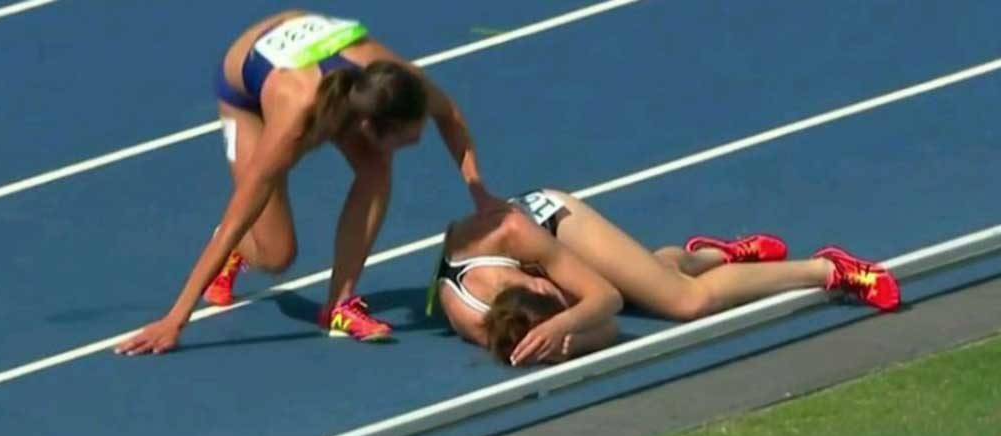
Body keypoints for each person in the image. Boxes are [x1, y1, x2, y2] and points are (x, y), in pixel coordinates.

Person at [116, 10, 504, 356]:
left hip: (305, 45)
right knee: (276, 255)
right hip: (245, 85)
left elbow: (449, 115)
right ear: (366, 125)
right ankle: (242, 251)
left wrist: (478, 191)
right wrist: (175, 320)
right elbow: (237, 217)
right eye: (405, 139)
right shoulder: (295, 122)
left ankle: (339, 305)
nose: (414, 143)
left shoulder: (397, 81)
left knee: (377, 167)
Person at [427, 189, 900, 365]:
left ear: (534, 282)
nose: (565, 295)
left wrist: (566, 321)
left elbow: (606, 299)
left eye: (557, 292)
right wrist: (567, 341)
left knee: (684, 302)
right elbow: (607, 327)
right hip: (531, 289)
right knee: (649, 281)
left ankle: (828, 268)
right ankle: (712, 255)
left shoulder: (515, 235)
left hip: (551, 222)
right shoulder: (479, 322)